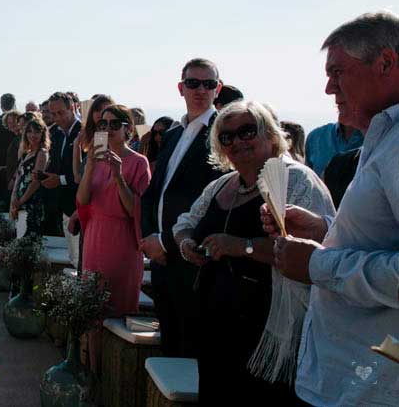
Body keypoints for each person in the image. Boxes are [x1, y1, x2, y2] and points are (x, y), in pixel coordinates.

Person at [268, 11, 399, 406]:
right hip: (349, 380)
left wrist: (316, 266)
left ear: (386, 63)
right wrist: (325, 230)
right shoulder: (382, 137)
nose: (328, 88)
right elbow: (382, 239)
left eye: (338, 71)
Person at [173, 101, 333, 404]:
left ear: (270, 134)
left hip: (267, 333)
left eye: (247, 131)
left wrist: (241, 246)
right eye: (227, 137)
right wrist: (186, 244)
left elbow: (312, 254)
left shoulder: (294, 180)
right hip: (217, 328)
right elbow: (185, 222)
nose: (237, 141)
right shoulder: (223, 184)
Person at [139, 59, 225, 357]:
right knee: (169, 346)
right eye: (193, 83)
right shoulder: (174, 135)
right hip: (162, 261)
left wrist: (165, 241)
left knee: (191, 353)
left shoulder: (223, 135)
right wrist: (150, 238)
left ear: (218, 89)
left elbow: (213, 202)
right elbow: (153, 193)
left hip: (192, 262)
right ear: (181, 88)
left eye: (208, 84)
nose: (200, 90)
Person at [76, 105, 150, 315]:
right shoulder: (95, 159)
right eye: (103, 124)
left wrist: (118, 176)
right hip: (94, 236)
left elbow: (134, 210)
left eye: (115, 124)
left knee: (118, 307)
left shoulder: (138, 162)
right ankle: (89, 349)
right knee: (90, 307)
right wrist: (89, 165)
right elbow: (82, 200)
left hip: (122, 239)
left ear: (128, 129)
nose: (108, 128)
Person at [40, 91, 83, 240]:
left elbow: (89, 172)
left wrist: (60, 180)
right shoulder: (54, 133)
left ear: (72, 108)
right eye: (53, 114)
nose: (57, 118)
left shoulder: (84, 133)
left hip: (78, 208)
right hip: (57, 208)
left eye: (60, 113)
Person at [9, 117, 51, 237]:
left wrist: (20, 202)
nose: (33, 135)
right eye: (30, 131)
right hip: (19, 200)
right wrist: (14, 198)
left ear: (42, 134)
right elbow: (19, 176)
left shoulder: (42, 153)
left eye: (37, 132)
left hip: (31, 202)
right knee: (19, 236)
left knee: (27, 238)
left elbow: (36, 182)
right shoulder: (26, 153)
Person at [72, 94, 115, 185]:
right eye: (97, 110)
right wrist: (77, 145)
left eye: (106, 110)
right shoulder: (95, 138)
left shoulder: (113, 139)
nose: (101, 113)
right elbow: (78, 177)